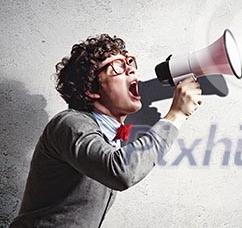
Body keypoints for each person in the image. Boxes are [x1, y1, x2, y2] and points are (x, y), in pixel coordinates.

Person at [10, 34, 202, 227]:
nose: (131, 70)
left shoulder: (109, 136)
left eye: (129, 62)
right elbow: (121, 172)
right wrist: (175, 115)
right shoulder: (69, 123)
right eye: (118, 66)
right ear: (91, 90)